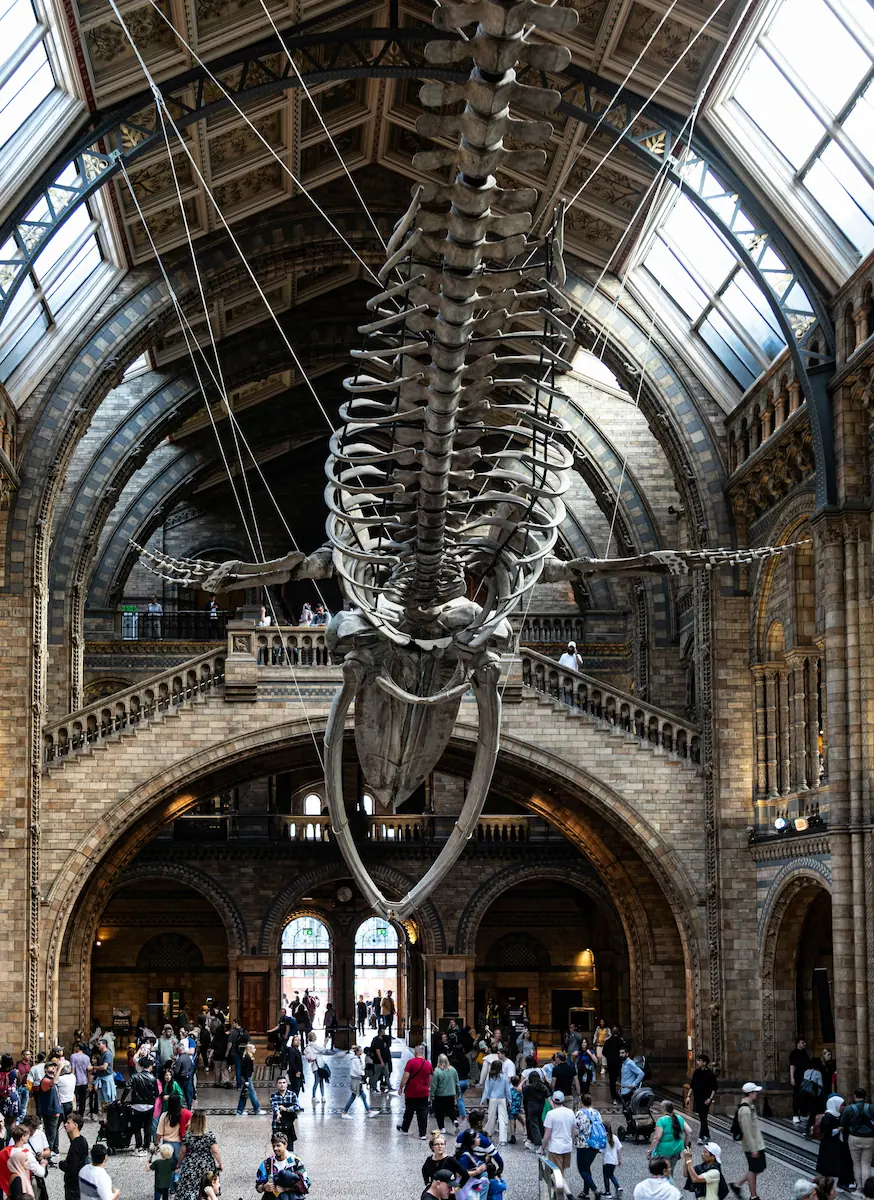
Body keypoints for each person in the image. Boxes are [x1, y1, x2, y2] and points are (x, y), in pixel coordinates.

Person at [729, 1082, 766, 1200]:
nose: (758, 1094)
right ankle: (753, 1196)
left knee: (758, 1168)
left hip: (757, 1144)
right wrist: (753, 1149)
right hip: (752, 1146)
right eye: (756, 1092)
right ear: (750, 1093)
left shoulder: (750, 1107)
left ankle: (737, 1185)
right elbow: (747, 1131)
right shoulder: (745, 1110)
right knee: (754, 1169)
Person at [175, 1110, 223, 1200]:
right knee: (206, 1185)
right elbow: (215, 1151)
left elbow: (182, 1151)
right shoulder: (209, 1135)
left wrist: (179, 1163)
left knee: (189, 1186)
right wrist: (220, 1163)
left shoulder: (188, 1135)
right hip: (206, 1163)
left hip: (191, 1163)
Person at [255, 1132, 310, 1200]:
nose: (275, 1148)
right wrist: (264, 1187)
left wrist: (284, 1189)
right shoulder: (267, 1163)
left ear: (285, 1145)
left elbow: (306, 1184)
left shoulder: (296, 1162)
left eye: (278, 1145)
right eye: (273, 1146)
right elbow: (258, 1187)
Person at [840, 1088, 874, 1190]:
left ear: (855, 1096)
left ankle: (859, 1188)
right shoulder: (872, 1108)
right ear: (865, 1096)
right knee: (866, 1163)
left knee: (857, 1163)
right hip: (869, 1138)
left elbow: (842, 1123)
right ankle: (867, 1189)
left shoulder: (849, 1109)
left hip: (854, 1138)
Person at [575, 1093, 608, 1199]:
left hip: (583, 1145)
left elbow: (577, 1129)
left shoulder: (579, 1113)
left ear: (581, 1102)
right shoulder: (597, 1113)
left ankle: (595, 1190)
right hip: (595, 1144)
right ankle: (585, 1191)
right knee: (587, 1167)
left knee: (582, 1169)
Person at [816, 1095, 853, 1189]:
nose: (843, 1107)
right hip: (829, 1146)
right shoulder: (828, 1117)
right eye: (842, 1105)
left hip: (835, 1145)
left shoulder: (836, 1115)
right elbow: (827, 1132)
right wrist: (838, 1130)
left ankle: (833, 1187)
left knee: (835, 1165)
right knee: (830, 1166)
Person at [397, 1044, 433, 1139]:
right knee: (423, 1112)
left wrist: (401, 1087)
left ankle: (405, 1129)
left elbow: (405, 1076)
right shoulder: (428, 1064)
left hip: (411, 1092)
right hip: (423, 1092)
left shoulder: (411, 1062)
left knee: (409, 1111)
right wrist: (427, 1088)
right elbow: (430, 1078)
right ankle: (423, 1134)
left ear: (415, 1052)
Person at [541, 1090, 575, 1179]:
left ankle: (566, 1192)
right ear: (563, 1100)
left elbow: (547, 1134)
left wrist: (543, 1147)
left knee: (558, 1174)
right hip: (567, 1146)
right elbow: (573, 1131)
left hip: (555, 1147)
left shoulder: (550, 1114)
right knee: (561, 1170)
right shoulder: (570, 1112)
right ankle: (561, 1190)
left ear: (552, 1101)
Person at [650, 1101, 689, 1176]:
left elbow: (657, 1138)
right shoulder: (679, 1118)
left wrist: (650, 1151)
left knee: (662, 1172)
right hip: (677, 1149)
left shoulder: (661, 1120)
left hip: (664, 1151)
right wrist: (686, 1144)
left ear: (663, 1108)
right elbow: (689, 1131)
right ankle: (670, 1185)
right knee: (670, 1171)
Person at [128, 1058, 158, 1154]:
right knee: (147, 1126)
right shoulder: (153, 1078)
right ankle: (147, 1145)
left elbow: (127, 1087)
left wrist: (121, 1100)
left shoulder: (134, 1076)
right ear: (150, 1067)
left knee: (136, 1127)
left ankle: (138, 1145)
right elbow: (156, 1093)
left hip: (136, 1105)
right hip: (149, 1106)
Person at [155, 1094, 191, 1166]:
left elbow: (159, 1132)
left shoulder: (164, 1115)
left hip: (166, 1143)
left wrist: (156, 1144)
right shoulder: (183, 1114)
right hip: (179, 1143)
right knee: (179, 1165)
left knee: (168, 1166)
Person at [59, 1114, 88, 1200]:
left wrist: (62, 1164)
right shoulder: (82, 1140)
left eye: (68, 1123)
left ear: (75, 1125)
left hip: (74, 1187)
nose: (65, 1125)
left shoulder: (76, 1144)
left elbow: (72, 1168)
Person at [482, 1061, 511, 1146]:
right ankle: (502, 1140)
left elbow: (487, 1090)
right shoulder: (504, 1076)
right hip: (502, 1099)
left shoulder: (489, 1076)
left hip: (492, 1099)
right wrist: (510, 1100)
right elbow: (507, 1090)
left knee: (491, 1117)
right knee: (502, 1119)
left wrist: (483, 1100)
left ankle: (489, 1134)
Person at [689, 1055, 717, 1142]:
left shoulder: (710, 1074)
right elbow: (692, 1085)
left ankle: (701, 1136)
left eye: (700, 1060)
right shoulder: (696, 1072)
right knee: (702, 1117)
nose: (698, 1062)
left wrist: (710, 1098)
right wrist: (688, 1096)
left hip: (706, 1099)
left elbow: (714, 1087)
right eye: (697, 1060)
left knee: (703, 1116)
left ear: (704, 1062)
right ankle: (707, 1134)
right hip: (698, 1098)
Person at [430, 1054, 460, 1133]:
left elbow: (434, 1085)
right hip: (451, 1094)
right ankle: (454, 1120)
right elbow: (457, 1082)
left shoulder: (437, 1071)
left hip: (439, 1095)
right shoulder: (453, 1070)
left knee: (439, 1112)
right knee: (451, 1109)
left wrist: (431, 1095)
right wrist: (458, 1092)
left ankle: (442, 1128)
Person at [341, 1046, 373, 1118]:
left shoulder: (357, 1059)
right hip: (356, 1080)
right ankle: (345, 1112)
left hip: (358, 1080)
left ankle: (369, 1111)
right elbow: (357, 1070)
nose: (361, 1052)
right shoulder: (355, 1060)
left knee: (363, 1096)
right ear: (357, 1052)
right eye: (360, 1051)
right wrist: (363, 1073)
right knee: (353, 1096)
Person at [523, 1067, 549, 1150]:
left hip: (531, 1108)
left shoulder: (528, 1087)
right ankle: (542, 1138)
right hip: (540, 1107)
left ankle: (538, 1143)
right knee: (540, 1122)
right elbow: (548, 1096)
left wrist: (523, 1080)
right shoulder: (543, 1087)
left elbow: (520, 1089)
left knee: (534, 1125)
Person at [270, 1077, 302, 1143]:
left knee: (289, 1147)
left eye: (284, 1083)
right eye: (280, 1083)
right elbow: (274, 1106)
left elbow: (297, 1107)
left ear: (287, 1084)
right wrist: (278, 1114)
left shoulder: (292, 1094)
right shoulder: (274, 1095)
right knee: (278, 1146)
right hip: (277, 1125)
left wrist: (286, 1109)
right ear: (276, 1085)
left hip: (288, 1124)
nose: (282, 1085)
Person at [236, 1043, 263, 1116]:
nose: (255, 1050)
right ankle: (257, 1109)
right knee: (252, 1093)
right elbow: (246, 1070)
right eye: (254, 1048)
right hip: (246, 1078)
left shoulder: (247, 1057)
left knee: (244, 1094)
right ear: (249, 1049)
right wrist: (247, 1081)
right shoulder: (248, 1058)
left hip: (245, 1078)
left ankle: (239, 1110)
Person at [790, 1038, 811, 1126]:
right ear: (798, 1044)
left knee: (805, 1095)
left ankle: (804, 1113)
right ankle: (795, 1114)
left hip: (805, 1078)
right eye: (802, 1042)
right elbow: (792, 1066)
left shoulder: (805, 1053)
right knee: (796, 1096)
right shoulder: (794, 1053)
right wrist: (792, 1078)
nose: (804, 1044)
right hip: (797, 1077)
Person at [603, 1029, 626, 1105]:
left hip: (611, 1064)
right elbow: (626, 1050)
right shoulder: (621, 1041)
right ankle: (623, 1096)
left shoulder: (608, 1041)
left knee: (612, 1081)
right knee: (622, 1079)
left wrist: (609, 1057)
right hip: (620, 1063)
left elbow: (604, 1052)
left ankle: (614, 1098)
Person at [304, 1032, 327, 1105]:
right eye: (315, 1036)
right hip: (317, 1066)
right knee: (318, 1081)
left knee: (319, 1081)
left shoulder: (310, 1045)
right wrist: (325, 1043)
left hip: (316, 1066)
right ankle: (315, 1096)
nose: (316, 1036)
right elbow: (322, 1050)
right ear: (313, 1037)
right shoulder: (313, 1045)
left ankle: (320, 1096)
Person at [602, 1121, 623, 1197]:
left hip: (606, 1161)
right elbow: (619, 1149)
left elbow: (601, 1150)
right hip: (614, 1160)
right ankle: (618, 1187)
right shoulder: (615, 1137)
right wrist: (619, 1159)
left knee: (606, 1176)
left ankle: (608, 1192)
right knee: (611, 1175)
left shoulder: (603, 1138)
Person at [285, 1035, 304, 1102]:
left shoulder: (297, 1050)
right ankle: (293, 1103)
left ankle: (295, 1103)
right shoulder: (292, 1050)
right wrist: (296, 1071)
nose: (298, 1041)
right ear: (292, 1042)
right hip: (294, 1073)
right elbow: (291, 1062)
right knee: (295, 1089)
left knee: (297, 1089)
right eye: (296, 1040)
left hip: (298, 1073)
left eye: (299, 1040)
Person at [508, 1076, 523, 1145]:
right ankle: (525, 1125)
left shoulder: (510, 1090)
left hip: (511, 1107)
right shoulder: (520, 1090)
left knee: (512, 1121)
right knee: (518, 1117)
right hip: (517, 1107)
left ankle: (513, 1135)